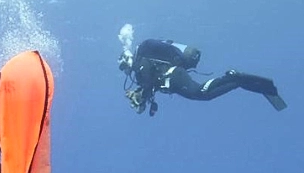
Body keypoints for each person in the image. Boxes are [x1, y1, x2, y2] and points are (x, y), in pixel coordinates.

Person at [119, 38, 286, 116]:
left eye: (123, 66)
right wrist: (141, 99)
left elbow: (148, 83)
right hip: (172, 80)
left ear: (127, 59)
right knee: (204, 96)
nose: (125, 70)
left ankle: (233, 77)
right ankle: (236, 82)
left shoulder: (141, 63)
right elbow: (149, 86)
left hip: (173, 75)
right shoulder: (141, 69)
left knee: (200, 92)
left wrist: (141, 97)